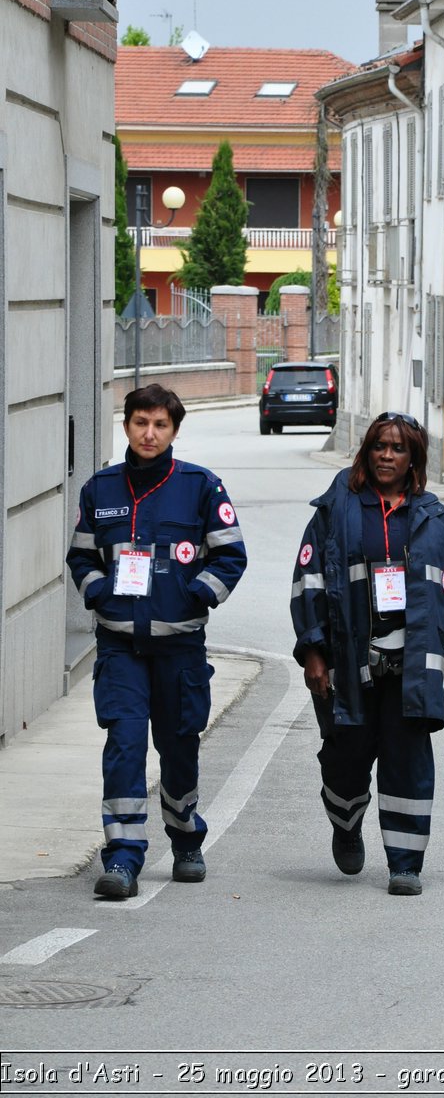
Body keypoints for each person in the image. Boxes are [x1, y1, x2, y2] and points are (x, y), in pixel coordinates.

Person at [290, 411, 444, 896]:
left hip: (414, 666)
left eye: (398, 448)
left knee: (408, 760)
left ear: (413, 457)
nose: (387, 455)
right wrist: (314, 652)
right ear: (366, 451)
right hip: (348, 665)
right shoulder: (337, 509)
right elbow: (308, 582)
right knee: (346, 757)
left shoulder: (433, 517)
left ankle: (405, 864)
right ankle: (345, 820)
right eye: (380, 446)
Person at [66, 384, 247, 900]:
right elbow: (80, 557)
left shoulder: (201, 487)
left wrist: (198, 595)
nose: (150, 433)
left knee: (178, 749)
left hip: (180, 650)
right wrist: (98, 590)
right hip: (120, 646)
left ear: (174, 430)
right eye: (141, 422)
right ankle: (122, 858)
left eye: (160, 425)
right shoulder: (100, 489)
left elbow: (232, 556)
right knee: (124, 745)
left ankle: (185, 836)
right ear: (126, 426)